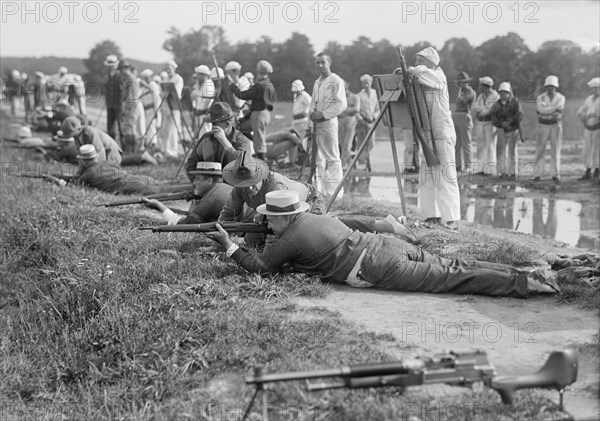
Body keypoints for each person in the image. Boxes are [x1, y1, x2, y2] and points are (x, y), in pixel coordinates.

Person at [207, 190, 560, 296]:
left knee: (453, 278)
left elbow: (262, 269)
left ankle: (525, 282)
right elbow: (354, 220)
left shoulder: (289, 238)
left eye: (269, 217)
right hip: (385, 244)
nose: (265, 220)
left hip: (378, 265)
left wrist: (230, 246)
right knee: (455, 267)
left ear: (283, 218)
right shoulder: (316, 218)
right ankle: (525, 273)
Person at [218, 152, 416, 242]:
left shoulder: (275, 185)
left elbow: (286, 219)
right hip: (279, 213)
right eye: (244, 185)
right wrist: (220, 231)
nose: (249, 189)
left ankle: (383, 225)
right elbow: (227, 214)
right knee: (254, 239)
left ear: (260, 176)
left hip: (307, 201)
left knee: (326, 231)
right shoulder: (239, 188)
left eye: (253, 184)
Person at [395, 47, 461, 230]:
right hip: (427, 133)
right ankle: (430, 215)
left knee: (446, 174)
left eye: (420, 60)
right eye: (415, 61)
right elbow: (408, 80)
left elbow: (419, 73)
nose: (416, 64)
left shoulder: (437, 76)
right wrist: (401, 73)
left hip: (442, 132)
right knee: (426, 175)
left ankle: (450, 219)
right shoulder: (421, 77)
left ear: (432, 63)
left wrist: (408, 70)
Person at [142, 162, 233, 225]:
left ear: (209, 181)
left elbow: (183, 224)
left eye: (198, 179)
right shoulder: (226, 187)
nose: (194, 183)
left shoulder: (209, 200)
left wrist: (160, 206)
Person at [75, 145, 188, 195]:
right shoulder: (107, 162)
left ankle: (193, 188)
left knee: (163, 190)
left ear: (83, 161)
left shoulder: (88, 174)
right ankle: (189, 183)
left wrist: (80, 168)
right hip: (135, 178)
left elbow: (76, 182)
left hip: (129, 186)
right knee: (164, 183)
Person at [185, 102, 253, 182]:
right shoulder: (206, 138)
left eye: (216, 124)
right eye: (212, 123)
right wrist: (197, 183)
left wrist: (226, 143)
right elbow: (191, 164)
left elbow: (243, 165)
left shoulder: (241, 141)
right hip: (209, 186)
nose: (213, 127)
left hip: (232, 188)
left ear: (228, 123)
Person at [310, 53, 347, 198]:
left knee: (332, 157)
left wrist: (324, 114)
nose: (320, 65)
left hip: (329, 123)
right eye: (317, 63)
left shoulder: (336, 80)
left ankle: (334, 193)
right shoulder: (317, 82)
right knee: (318, 157)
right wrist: (311, 118)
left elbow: (341, 104)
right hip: (316, 125)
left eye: (323, 62)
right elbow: (313, 104)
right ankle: (319, 191)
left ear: (329, 62)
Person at [230, 60, 276, 160]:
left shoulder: (260, 86)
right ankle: (261, 153)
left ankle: (263, 163)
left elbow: (243, 95)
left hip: (259, 114)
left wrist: (233, 88)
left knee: (259, 139)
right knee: (242, 127)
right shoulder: (270, 85)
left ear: (259, 72)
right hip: (265, 114)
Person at [533, 75, 566, 183]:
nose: (550, 88)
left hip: (555, 125)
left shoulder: (561, 97)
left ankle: (555, 174)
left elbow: (558, 111)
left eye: (552, 86)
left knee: (555, 149)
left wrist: (546, 110)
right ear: (545, 87)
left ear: (555, 86)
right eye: (548, 86)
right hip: (542, 125)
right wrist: (552, 110)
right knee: (540, 149)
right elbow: (540, 110)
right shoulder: (541, 97)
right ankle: (537, 174)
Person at [490, 82, 523, 179]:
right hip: (501, 130)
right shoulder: (496, 105)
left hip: (513, 130)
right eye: (501, 93)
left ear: (509, 93)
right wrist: (501, 124)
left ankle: (512, 173)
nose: (503, 95)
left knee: (511, 152)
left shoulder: (515, 103)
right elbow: (493, 117)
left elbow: (519, 115)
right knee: (500, 152)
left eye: (505, 93)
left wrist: (510, 122)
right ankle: (502, 172)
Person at [472, 76, 499, 176]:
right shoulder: (480, 96)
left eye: (482, 86)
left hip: (490, 124)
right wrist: (483, 110)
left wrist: (482, 110)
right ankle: (480, 168)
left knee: (490, 145)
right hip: (480, 123)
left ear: (486, 86)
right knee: (480, 145)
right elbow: (475, 108)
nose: (480, 88)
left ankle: (490, 169)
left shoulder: (495, 96)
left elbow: (492, 110)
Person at [159, 60, 185, 158]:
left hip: (174, 107)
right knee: (165, 130)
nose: (168, 70)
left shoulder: (178, 79)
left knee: (172, 130)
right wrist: (164, 93)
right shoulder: (165, 78)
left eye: (169, 68)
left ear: (174, 68)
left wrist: (168, 92)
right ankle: (165, 150)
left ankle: (173, 151)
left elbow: (177, 93)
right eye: (167, 69)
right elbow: (160, 92)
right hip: (165, 107)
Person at [576, 77, 600, 180]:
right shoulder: (589, 99)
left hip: (598, 128)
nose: (594, 90)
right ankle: (588, 171)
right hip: (589, 128)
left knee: (597, 149)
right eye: (593, 88)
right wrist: (584, 120)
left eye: (596, 88)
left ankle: (597, 171)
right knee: (587, 149)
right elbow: (580, 112)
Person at [452, 71, 476, 172]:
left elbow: (460, 100)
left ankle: (468, 166)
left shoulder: (470, 91)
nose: (460, 84)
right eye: (459, 82)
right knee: (456, 144)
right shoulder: (461, 91)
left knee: (466, 143)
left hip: (464, 116)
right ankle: (458, 165)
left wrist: (460, 89)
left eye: (463, 82)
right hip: (456, 116)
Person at [356, 74, 381, 169]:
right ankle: (362, 164)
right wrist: (362, 120)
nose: (366, 85)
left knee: (371, 143)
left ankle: (369, 162)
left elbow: (378, 109)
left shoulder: (374, 93)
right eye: (364, 83)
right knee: (361, 143)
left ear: (371, 83)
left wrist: (374, 117)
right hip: (362, 122)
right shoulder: (359, 95)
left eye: (367, 83)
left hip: (372, 122)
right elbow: (357, 111)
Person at [118, 60, 141, 154]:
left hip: (131, 105)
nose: (120, 72)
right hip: (132, 105)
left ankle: (130, 150)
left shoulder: (131, 79)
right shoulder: (131, 78)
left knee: (129, 127)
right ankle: (132, 150)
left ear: (124, 69)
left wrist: (125, 108)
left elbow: (130, 96)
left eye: (121, 69)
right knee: (131, 127)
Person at [337, 80, 360, 169]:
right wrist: (349, 110)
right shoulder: (338, 98)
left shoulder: (355, 97)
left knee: (348, 144)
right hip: (340, 123)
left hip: (351, 123)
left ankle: (344, 164)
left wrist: (343, 110)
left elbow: (356, 109)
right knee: (342, 144)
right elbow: (336, 111)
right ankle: (349, 163)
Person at [190, 65, 215, 139]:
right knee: (202, 137)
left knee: (206, 136)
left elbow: (207, 101)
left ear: (203, 75)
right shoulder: (203, 85)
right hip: (200, 115)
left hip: (205, 114)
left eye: (198, 74)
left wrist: (201, 111)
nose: (197, 77)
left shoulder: (208, 84)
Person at [139, 69, 162, 148]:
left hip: (152, 108)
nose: (146, 79)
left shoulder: (153, 85)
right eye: (145, 77)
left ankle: (153, 143)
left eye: (147, 77)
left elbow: (155, 95)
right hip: (146, 109)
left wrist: (157, 111)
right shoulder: (144, 88)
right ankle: (148, 143)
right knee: (147, 126)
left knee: (152, 127)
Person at [104, 55, 122, 142]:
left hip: (118, 104)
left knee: (120, 125)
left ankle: (124, 145)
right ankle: (111, 142)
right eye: (109, 66)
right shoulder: (108, 75)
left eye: (112, 65)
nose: (111, 67)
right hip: (110, 104)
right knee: (110, 125)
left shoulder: (119, 75)